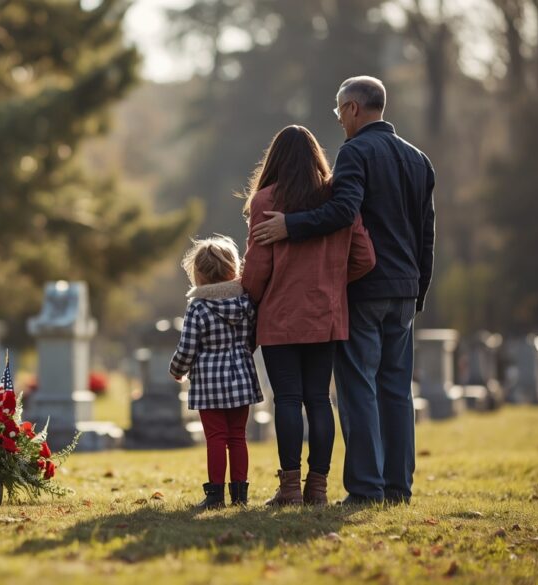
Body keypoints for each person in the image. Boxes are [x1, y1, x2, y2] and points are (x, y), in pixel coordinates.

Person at [251, 76, 435, 505]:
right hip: (405, 291)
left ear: (353, 108)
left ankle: (367, 489)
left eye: (339, 110)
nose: (337, 119)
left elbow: (342, 211)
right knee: (396, 390)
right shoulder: (419, 159)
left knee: (358, 390)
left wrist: (289, 226)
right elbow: (427, 234)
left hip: (365, 288)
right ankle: (398, 488)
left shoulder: (356, 151)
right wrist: (419, 290)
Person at [240, 125, 376, 506]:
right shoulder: (339, 197)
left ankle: (289, 490)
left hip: (280, 315)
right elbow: (365, 258)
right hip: (326, 315)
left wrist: (247, 296)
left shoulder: (267, 199)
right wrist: (332, 280)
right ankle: (318, 488)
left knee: (286, 399)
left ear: (275, 160)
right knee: (319, 399)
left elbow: (257, 267)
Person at [169, 236, 264, 510]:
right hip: (241, 378)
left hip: (209, 382)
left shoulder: (198, 307)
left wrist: (178, 370)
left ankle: (215, 495)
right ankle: (240, 495)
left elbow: (187, 347)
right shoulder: (246, 303)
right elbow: (252, 337)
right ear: (234, 269)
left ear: (197, 275)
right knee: (237, 436)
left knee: (215, 438)